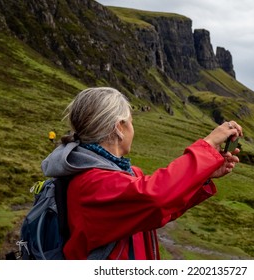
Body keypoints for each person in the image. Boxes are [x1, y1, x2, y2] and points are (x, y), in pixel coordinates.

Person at [41, 87, 243, 260]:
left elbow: (158, 211)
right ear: (119, 127)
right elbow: (155, 198)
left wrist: (204, 177)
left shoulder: (121, 173)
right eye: (130, 121)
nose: (132, 128)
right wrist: (207, 146)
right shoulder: (92, 184)